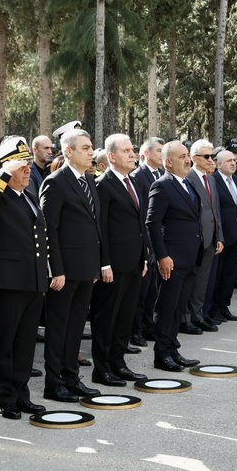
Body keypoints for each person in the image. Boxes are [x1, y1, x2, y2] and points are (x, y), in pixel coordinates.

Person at [0, 138, 49, 419]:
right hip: (6, 282)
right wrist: (5, 173)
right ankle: (5, 396)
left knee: (24, 343)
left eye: (28, 165)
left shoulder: (28, 197)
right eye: (21, 166)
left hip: (31, 281)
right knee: (4, 342)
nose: (27, 170)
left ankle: (22, 394)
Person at [40, 124, 102, 403]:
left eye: (91, 148)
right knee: (58, 328)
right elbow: (49, 229)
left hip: (85, 267)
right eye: (85, 148)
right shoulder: (55, 182)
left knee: (76, 326)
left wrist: (97, 265)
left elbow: (94, 226)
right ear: (68, 151)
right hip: (64, 271)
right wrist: (57, 269)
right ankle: (54, 384)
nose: (91, 153)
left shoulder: (88, 180)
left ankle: (71, 377)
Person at [91, 133, 150, 387]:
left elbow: (140, 222)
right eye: (126, 151)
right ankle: (102, 368)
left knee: (125, 316)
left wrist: (145, 255)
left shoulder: (132, 181)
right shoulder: (103, 185)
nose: (132, 154)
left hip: (134, 262)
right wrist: (104, 263)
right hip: (113, 265)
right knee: (107, 317)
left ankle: (118, 363)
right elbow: (100, 228)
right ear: (111, 156)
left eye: (132, 150)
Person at [146, 141, 203, 372]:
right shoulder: (162, 185)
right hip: (172, 259)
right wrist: (162, 256)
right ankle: (161, 355)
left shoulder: (188, 184)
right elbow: (152, 222)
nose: (187, 159)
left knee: (179, 308)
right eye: (182, 156)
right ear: (168, 162)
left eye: (188, 155)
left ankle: (172, 349)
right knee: (166, 308)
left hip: (190, 258)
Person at [181, 139, 224, 332]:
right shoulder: (188, 177)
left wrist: (219, 236)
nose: (210, 160)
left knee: (202, 281)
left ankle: (198, 316)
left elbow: (215, 210)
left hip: (210, 239)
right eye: (206, 156)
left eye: (212, 156)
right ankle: (185, 318)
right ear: (194, 158)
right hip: (193, 241)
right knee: (189, 281)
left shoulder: (211, 179)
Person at [130, 137, 166, 345]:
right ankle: (135, 331)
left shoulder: (161, 174)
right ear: (146, 153)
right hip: (145, 240)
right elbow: (142, 213)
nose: (162, 155)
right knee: (140, 292)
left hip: (158, 239)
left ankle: (147, 325)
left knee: (153, 289)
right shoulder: (138, 176)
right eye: (158, 151)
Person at [210, 149, 237, 322]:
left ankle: (224, 307)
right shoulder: (214, 181)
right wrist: (218, 236)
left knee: (229, 275)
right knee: (217, 274)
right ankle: (213, 309)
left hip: (236, 235)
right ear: (219, 164)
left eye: (235, 161)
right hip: (221, 237)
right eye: (229, 161)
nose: (233, 163)